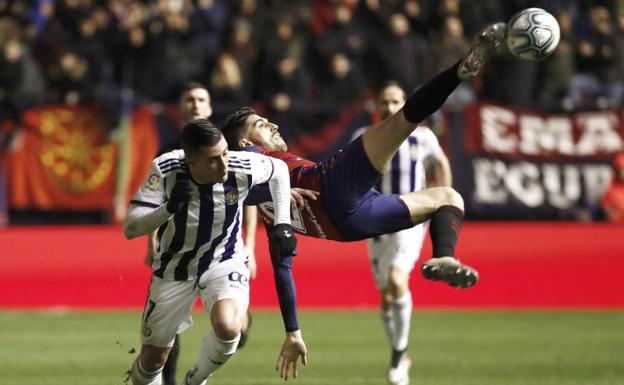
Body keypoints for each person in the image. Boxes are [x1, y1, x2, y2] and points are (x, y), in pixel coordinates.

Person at [222, 22, 508, 291]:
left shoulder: (265, 203)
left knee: (448, 197)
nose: (273, 124)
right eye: (261, 124)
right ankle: (460, 71)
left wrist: (292, 330)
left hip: (349, 225)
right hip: (332, 186)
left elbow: (282, 264)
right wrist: (278, 187)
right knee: (404, 120)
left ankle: (443, 257)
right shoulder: (249, 156)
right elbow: (231, 186)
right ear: (244, 141)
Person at [124, 118, 306, 385]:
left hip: (225, 259)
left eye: (225, 153)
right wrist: (168, 209)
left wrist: (282, 224)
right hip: (175, 269)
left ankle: (195, 380)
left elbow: (278, 170)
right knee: (152, 359)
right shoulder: (166, 168)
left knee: (229, 325)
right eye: (213, 159)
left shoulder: (239, 164)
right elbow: (131, 227)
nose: (224, 164)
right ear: (191, 160)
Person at [143, 82, 256, 385]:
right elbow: (153, 202)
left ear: (210, 107)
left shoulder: (224, 148)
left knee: (235, 327)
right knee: (168, 333)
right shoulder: (167, 154)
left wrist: (252, 246)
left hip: (222, 252)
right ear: (180, 108)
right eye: (189, 99)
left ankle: (199, 374)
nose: (194, 104)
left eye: (201, 99)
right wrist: (150, 241)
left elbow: (251, 197)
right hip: (178, 253)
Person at [350, 81, 452, 385]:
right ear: (376, 107)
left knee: (397, 279)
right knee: (385, 297)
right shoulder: (363, 137)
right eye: (384, 102)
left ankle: (399, 355)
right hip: (374, 223)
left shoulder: (422, 137)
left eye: (396, 101)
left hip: (410, 217)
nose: (390, 108)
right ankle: (399, 351)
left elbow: (441, 163)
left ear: (405, 104)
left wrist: (445, 201)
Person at [601, 153, 624, 223]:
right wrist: (613, 216)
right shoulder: (611, 187)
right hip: (616, 225)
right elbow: (606, 205)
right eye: (621, 170)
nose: (622, 173)